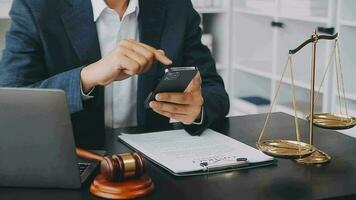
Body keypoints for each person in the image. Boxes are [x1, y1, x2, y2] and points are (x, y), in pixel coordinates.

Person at [0, 0, 229, 148]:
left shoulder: (176, 6)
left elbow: (215, 91)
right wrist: (87, 77)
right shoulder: (35, 6)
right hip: (71, 159)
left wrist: (197, 109)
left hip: (153, 163)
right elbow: (11, 102)